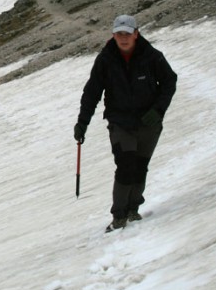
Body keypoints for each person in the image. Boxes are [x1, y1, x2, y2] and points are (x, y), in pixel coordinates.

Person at [74, 14, 178, 232]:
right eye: (119, 34)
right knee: (125, 166)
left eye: (127, 34)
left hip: (149, 123)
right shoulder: (105, 60)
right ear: (113, 35)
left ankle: (133, 209)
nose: (123, 38)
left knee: (140, 167)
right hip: (120, 122)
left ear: (136, 34)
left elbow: (170, 81)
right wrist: (82, 123)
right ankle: (119, 216)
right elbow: (92, 92)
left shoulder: (151, 56)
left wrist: (158, 110)